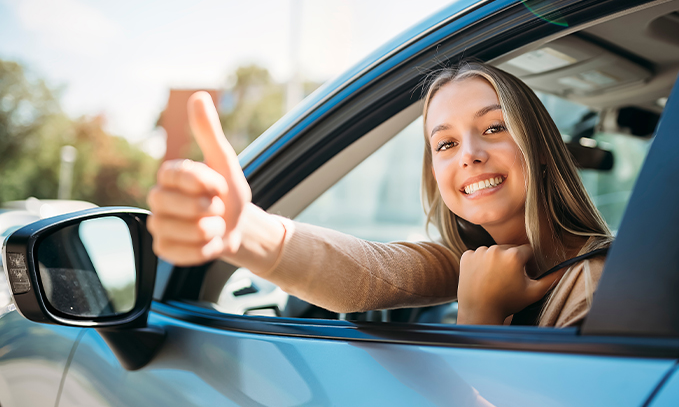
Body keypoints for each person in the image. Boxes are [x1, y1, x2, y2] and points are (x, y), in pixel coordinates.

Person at [146, 61, 612, 327]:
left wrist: (480, 313)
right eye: (445, 144)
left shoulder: (596, 284)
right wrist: (244, 229)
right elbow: (369, 275)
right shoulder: (466, 261)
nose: (468, 155)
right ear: (435, 174)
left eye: (493, 128)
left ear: (543, 148)